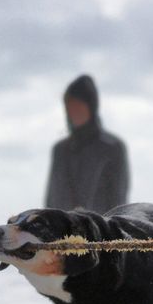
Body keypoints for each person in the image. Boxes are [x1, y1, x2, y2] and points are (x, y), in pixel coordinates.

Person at [45, 74, 130, 214]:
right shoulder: (60, 150)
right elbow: (51, 200)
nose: (74, 111)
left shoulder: (112, 148)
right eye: (70, 106)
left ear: (91, 107)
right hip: (62, 232)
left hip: (99, 231)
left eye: (78, 106)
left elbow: (118, 200)